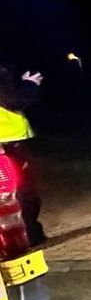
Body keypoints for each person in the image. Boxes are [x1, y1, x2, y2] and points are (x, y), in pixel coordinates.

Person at [0, 67, 44, 245]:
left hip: (8, 143)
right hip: (9, 144)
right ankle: (29, 235)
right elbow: (14, 100)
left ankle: (23, 235)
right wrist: (30, 85)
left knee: (15, 194)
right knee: (23, 193)